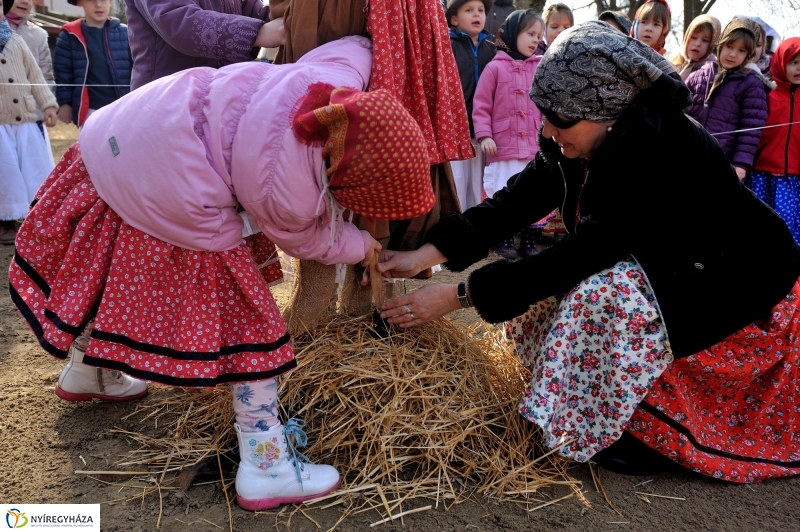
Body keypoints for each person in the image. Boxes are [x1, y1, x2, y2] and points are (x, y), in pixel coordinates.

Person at [9, 37, 435, 508]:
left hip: (122, 135)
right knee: (252, 330)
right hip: (172, 180)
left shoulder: (334, 81)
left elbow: (353, 48)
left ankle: (89, 373)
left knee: (110, 276)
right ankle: (266, 464)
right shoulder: (286, 187)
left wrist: (368, 41)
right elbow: (306, 240)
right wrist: (361, 244)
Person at [374, 21, 800, 483]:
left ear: (603, 107)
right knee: (550, 288)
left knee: (601, 297)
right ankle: (583, 407)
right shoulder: (574, 134)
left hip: (735, 276)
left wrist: (460, 294)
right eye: (545, 115)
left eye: (559, 119)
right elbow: (517, 199)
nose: (549, 129)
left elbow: (587, 252)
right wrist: (430, 252)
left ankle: (646, 432)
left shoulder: (660, 146)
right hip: (671, 260)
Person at [472, 9, 543, 259]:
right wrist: (484, 135)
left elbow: (546, 105)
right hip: (502, 146)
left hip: (533, 146)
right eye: (530, 33)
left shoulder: (540, 69)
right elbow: (481, 106)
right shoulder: (495, 69)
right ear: (513, 34)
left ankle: (528, 238)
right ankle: (502, 238)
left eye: (539, 35)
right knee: (503, 191)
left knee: (532, 194)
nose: (535, 40)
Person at [123, 0, 285, 90]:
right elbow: (179, 22)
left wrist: (292, 13)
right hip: (164, 102)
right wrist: (260, 32)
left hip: (217, 99)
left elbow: (260, 12)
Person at [0, 1, 57, 245]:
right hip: (1, 123)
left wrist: (48, 104)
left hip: (24, 117)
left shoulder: (16, 39)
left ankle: (36, 215)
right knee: (6, 172)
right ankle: (5, 221)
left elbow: (36, 74)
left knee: (33, 168)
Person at [685, 19, 768, 180]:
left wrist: (740, 164)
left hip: (721, 161)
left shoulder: (751, 84)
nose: (732, 54)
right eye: (729, 46)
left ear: (748, 54)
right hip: (688, 154)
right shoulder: (699, 75)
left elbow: (751, 129)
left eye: (741, 50)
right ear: (721, 45)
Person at [747, 38, 800, 244]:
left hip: (792, 178)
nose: (798, 68)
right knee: (759, 226)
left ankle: (790, 273)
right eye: (793, 62)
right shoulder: (768, 92)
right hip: (761, 173)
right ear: (780, 62)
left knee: (789, 228)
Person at [447, 0, 496, 211]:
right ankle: (455, 221)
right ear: (454, 19)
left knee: (478, 181)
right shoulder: (447, 45)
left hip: (481, 130)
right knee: (457, 178)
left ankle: (474, 226)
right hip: (454, 128)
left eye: (481, 10)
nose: (477, 14)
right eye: (469, 10)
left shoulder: (492, 49)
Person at [53, 0, 132, 127]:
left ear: (110, 2)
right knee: (93, 146)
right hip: (91, 110)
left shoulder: (125, 32)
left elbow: (138, 68)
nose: (98, 5)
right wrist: (65, 102)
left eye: (103, 0)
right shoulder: (69, 35)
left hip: (124, 107)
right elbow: (63, 72)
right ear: (79, 3)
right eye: (91, 0)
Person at [670, 14, 721, 81]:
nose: (697, 44)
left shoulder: (711, 73)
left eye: (705, 40)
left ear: (712, 44)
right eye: (693, 37)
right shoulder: (674, 61)